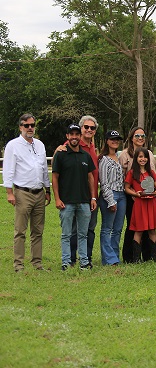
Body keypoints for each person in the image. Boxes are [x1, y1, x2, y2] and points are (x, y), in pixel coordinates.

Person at [3, 114, 51, 272]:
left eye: (32, 125)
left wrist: (47, 189)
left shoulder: (39, 145)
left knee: (38, 231)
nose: (30, 128)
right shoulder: (13, 145)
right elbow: (8, 170)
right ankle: (18, 265)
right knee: (20, 231)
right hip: (23, 192)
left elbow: (44, 168)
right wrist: (10, 193)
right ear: (20, 127)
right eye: (26, 125)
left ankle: (37, 263)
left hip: (39, 192)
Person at [52, 124, 97, 271]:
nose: (74, 137)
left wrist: (93, 198)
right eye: (71, 134)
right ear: (67, 137)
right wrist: (57, 199)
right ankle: (66, 262)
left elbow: (90, 177)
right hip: (67, 202)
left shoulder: (85, 155)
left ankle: (84, 262)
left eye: (77, 134)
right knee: (66, 234)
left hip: (84, 201)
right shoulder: (61, 154)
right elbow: (55, 178)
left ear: (80, 136)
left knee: (83, 234)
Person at [119, 126, 156, 262]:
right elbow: (123, 178)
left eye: (142, 136)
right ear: (131, 138)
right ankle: (130, 257)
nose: (140, 138)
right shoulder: (124, 155)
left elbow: (155, 174)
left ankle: (149, 256)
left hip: (150, 197)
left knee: (149, 227)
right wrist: (133, 194)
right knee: (133, 227)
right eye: (137, 136)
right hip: (133, 198)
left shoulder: (150, 154)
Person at [124, 147, 156, 262]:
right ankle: (136, 258)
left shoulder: (151, 172)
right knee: (139, 230)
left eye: (145, 157)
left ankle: (155, 257)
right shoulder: (132, 173)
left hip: (151, 203)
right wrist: (136, 194)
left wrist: (155, 193)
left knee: (152, 229)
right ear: (136, 158)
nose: (143, 159)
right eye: (140, 157)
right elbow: (126, 188)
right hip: (139, 204)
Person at [98, 130, 126, 265]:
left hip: (122, 194)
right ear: (107, 141)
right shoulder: (104, 160)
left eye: (117, 139)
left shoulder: (119, 158)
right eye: (112, 139)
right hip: (110, 194)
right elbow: (104, 182)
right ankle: (109, 259)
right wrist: (110, 200)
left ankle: (114, 256)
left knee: (118, 228)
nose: (115, 141)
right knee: (107, 228)